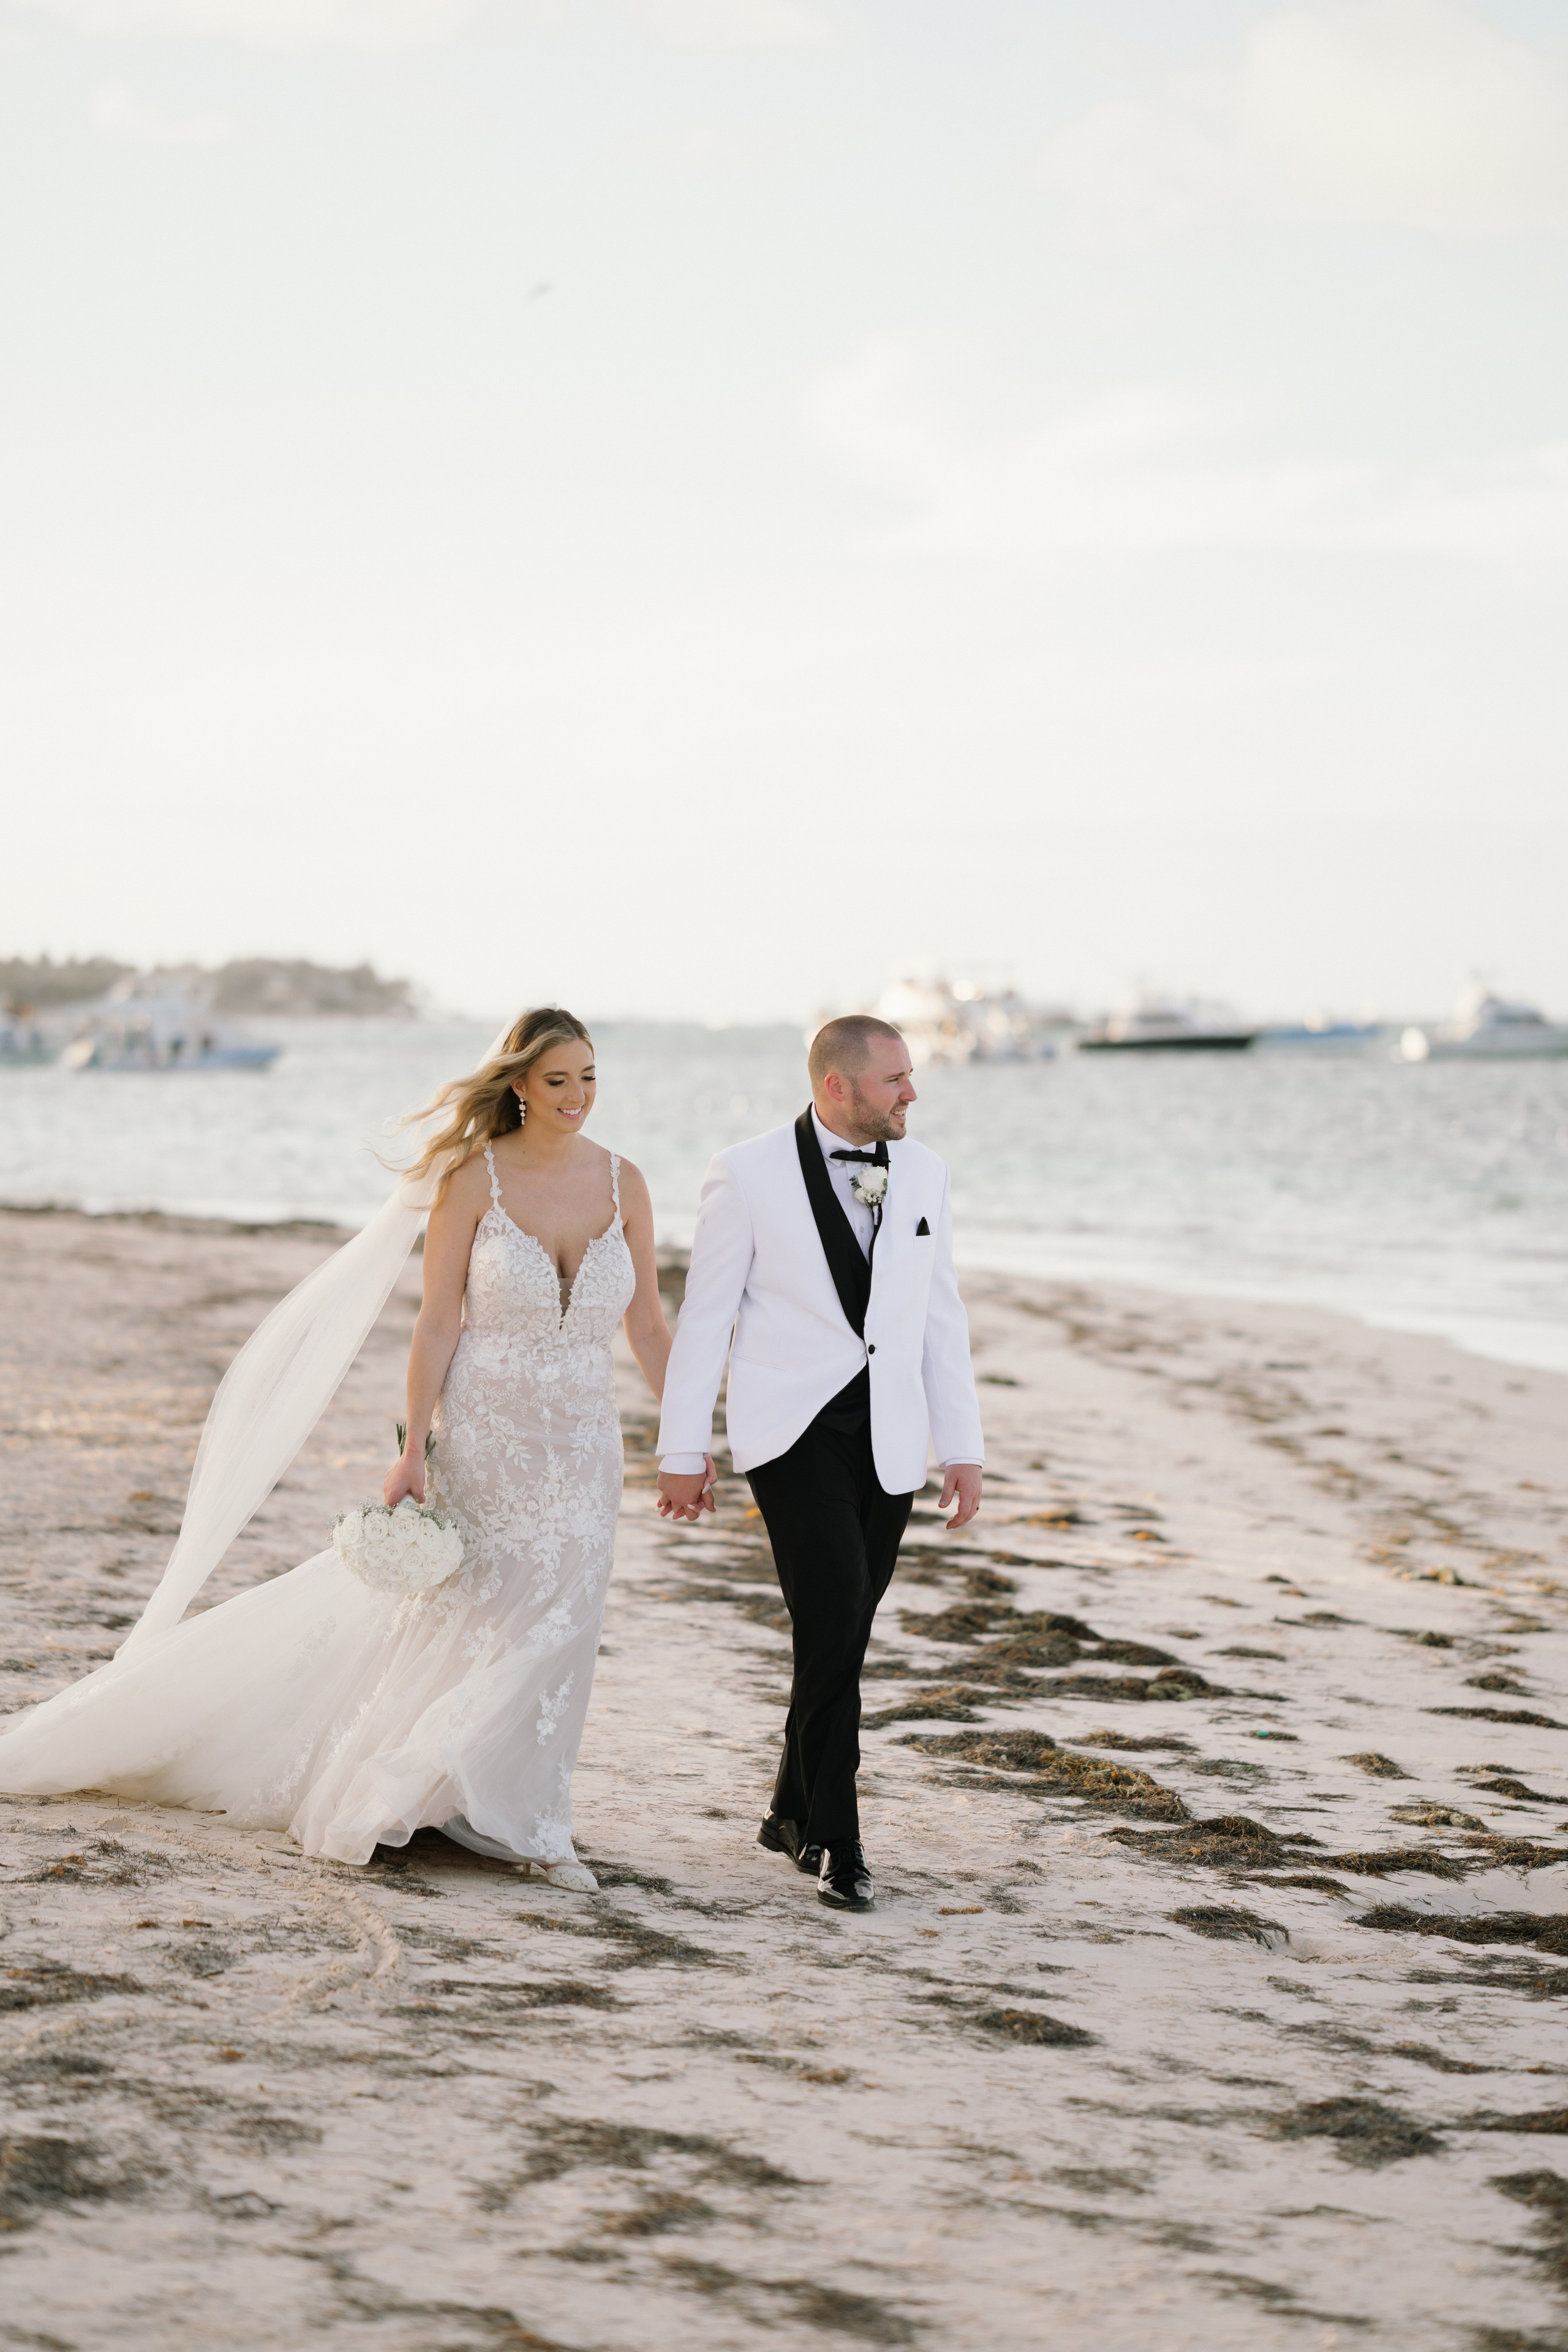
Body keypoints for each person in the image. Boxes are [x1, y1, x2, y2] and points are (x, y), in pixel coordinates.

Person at [0, 1008, 696, 1891]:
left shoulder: (624, 1181)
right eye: (559, 1080)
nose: (578, 1098)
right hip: (486, 1429)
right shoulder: (472, 1180)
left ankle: (521, 1809)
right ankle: (473, 1802)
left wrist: (687, 1440)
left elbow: (646, 1326)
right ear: (517, 1084)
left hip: (584, 1440)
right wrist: (413, 1450)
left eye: (590, 1078)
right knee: (475, 1609)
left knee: (562, 1617)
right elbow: (438, 1320)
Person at [656, 1016, 984, 1912]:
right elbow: (707, 1318)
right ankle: (841, 1841)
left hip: (890, 1440)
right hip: (790, 1432)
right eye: (896, 1080)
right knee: (835, 1618)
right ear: (837, 1085)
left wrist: (962, 1447)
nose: (912, 1092)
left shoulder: (926, 1173)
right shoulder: (747, 1171)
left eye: (912, 1076)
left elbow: (939, 1319)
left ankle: (788, 1809)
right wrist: (682, 1449)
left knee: (840, 1635)